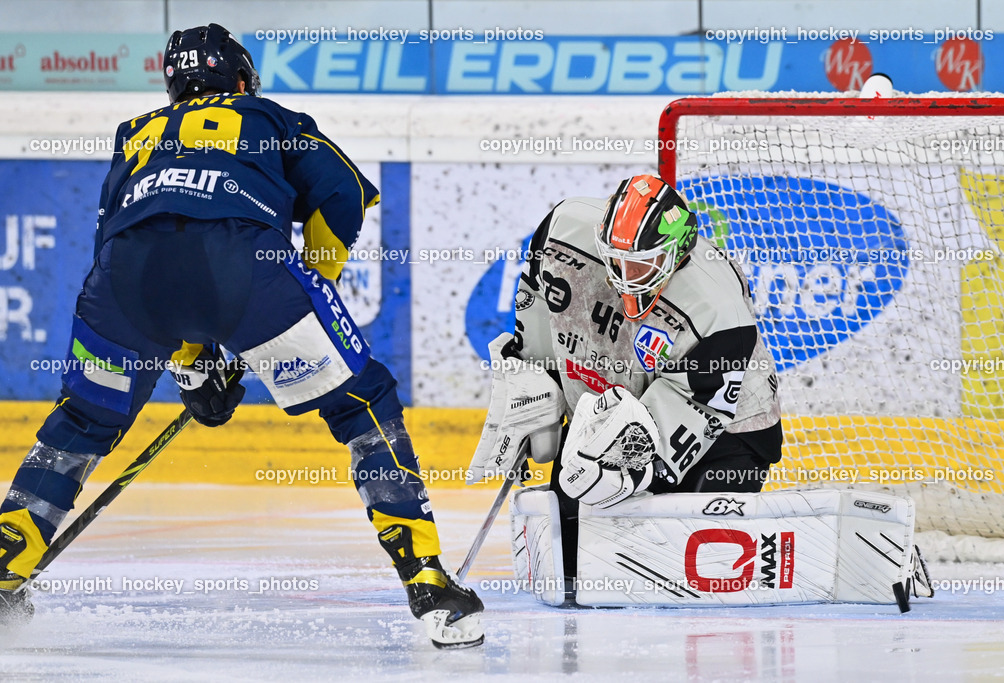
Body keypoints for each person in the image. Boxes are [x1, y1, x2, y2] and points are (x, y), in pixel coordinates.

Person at [0, 24, 482, 648]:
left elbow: (125, 245)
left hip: (122, 284)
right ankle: (428, 580)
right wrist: (313, 286)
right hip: (246, 268)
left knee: (83, 420)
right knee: (362, 403)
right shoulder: (269, 116)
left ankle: (6, 564)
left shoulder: (135, 133)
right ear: (240, 79)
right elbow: (341, 191)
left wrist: (193, 363)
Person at [476, 174, 783, 591]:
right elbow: (539, 302)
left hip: (728, 428)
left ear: (675, 253)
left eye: (640, 264)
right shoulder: (561, 229)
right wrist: (536, 380)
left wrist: (632, 468)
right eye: (615, 260)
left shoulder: (719, 310)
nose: (624, 276)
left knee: (685, 569)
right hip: (608, 405)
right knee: (570, 565)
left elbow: (698, 405)